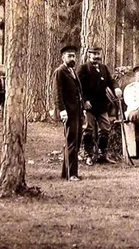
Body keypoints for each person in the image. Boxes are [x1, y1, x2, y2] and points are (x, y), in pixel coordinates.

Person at [77, 47, 116, 164]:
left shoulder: (104, 68)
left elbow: (111, 81)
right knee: (88, 129)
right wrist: (84, 101)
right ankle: (88, 155)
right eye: (93, 54)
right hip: (89, 105)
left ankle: (102, 154)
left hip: (102, 105)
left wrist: (117, 88)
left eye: (98, 54)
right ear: (89, 55)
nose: (96, 56)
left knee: (105, 128)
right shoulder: (83, 68)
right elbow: (78, 87)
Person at [54, 44, 83, 181]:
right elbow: (57, 94)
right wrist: (62, 110)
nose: (72, 58)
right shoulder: (60, 71)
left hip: (77, 111)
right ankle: (72, 174)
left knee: (76, 141)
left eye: (74, 56)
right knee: (71, 141)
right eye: (69, 56)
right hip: (68, 112)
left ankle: (66, 172)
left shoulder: (72, 71)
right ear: (62, 57)